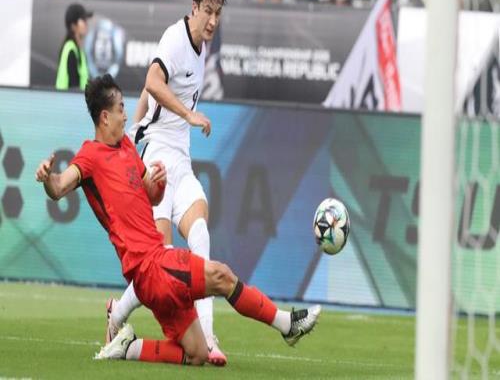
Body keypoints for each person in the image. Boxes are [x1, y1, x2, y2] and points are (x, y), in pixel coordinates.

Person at [35, 74, 322, 366]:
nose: (126, 115)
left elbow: (151, 195)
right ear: (105, 117)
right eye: (121, 109)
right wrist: (48, 177)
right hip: (150, 266)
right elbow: (58, 187)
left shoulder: (128, 149)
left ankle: (129, 348)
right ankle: (287, 324)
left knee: (197, 353)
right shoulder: (90, 156)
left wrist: (158, 183)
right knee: (221, 275)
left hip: (152, 272)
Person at [107, 0, 227, 367]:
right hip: (158, 155)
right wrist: (181, 118)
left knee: (201, 235)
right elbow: (153, 81)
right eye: (207, 10)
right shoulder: (175, 39)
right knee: (160, 261)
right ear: (194, 7)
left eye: (218, 13)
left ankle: (208, 336)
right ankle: (118, 313)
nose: (212, 20)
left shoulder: (202, 45)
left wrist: (135, 123)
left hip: (181, 158)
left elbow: (149, 92)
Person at [55, 3, 92, 91]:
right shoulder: (70, 50)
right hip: (67, 99)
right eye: (83, 20)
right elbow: (73, 89)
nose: (86, 23)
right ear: (73, 25)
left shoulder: (77, 49)